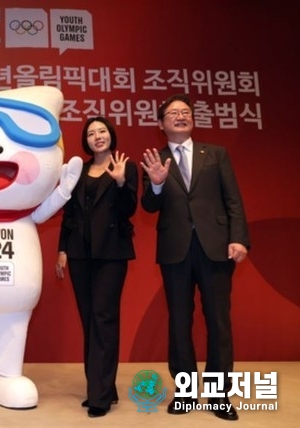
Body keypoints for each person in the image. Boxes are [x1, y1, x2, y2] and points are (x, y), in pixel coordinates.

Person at [140, 93, 250, 421]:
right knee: (179, 321)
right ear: (161, 124)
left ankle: (218, 396)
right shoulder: (154, 158)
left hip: (215, 247)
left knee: (218, 322)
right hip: (176, 250)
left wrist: (239, 239)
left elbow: (233, 200)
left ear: (192, 119)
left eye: (185, 112)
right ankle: (185, 393)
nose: (180, 116)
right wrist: (156, 184)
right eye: (173, 113)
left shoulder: (215, 154)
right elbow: (148, 206)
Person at [55, 116, 137, 418]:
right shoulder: (79, 171)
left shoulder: (126, 167)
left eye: (102, 131)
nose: (97, 137)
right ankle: (103, 386)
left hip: (111, 255)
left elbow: (130, 209)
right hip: (79, 254)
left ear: (111, 135)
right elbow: (69, 213)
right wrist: (62, 249)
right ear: (86, 141)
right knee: (89, 320)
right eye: (91, 133)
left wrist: (119, 182)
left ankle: (99, 395)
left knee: (104, 319)